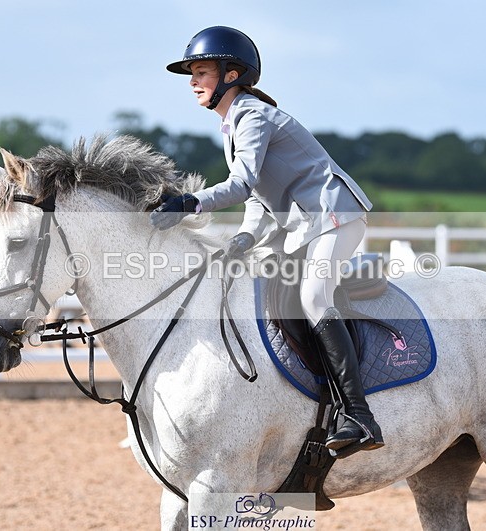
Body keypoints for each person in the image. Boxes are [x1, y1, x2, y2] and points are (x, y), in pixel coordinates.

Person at [151, 26, 383, 456]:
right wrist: (243, 238)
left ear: (232, 73)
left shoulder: (251, 115)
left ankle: (360, 416)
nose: (193, 82)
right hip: (304, 224)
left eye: (201, 72)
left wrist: (190, 203)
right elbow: (259, 198)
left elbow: (240, 184)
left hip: (334, 212)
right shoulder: (233, 123)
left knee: (314, 296)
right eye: (193, 74)